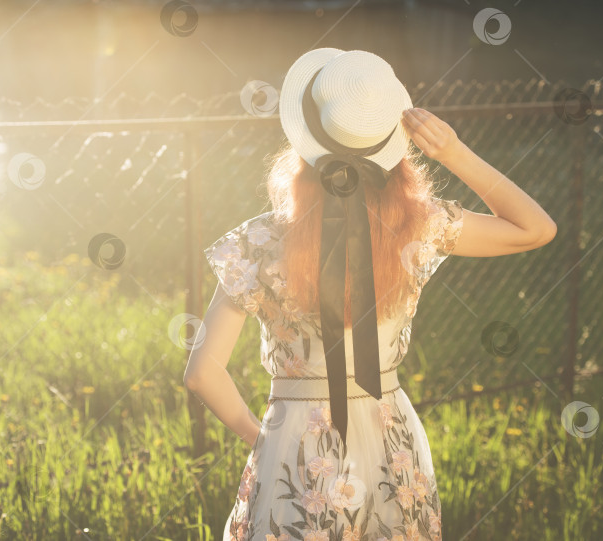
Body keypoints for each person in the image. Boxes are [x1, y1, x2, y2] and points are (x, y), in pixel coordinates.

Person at [183, 48, 556, 541]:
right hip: (391, 438)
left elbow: (201, 374)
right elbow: (535, 229)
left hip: (295, 442)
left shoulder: (256, 243)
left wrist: (264, 438)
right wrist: (453, 152)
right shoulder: (417, 229)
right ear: (393, 146)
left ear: (305, 144)